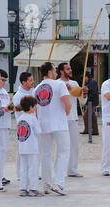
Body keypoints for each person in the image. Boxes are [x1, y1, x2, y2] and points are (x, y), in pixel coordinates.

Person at [35, 62, 72, 196]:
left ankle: (47, 183)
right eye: (55, 70)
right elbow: (67, 103)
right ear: (50, 72)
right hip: (59, 123)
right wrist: (65, 114)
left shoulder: (37, 88)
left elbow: (36, 110)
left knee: (45, 154)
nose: (56, 72)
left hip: (43, 124)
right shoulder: (59, 84)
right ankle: (58, 183)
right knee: (63, 152)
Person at [57, 63, 83, 178]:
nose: (70, 70)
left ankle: (72, 169)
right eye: (67, 69)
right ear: (61, 71)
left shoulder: (74, 83)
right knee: (62, 145)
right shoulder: (57, 83)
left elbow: (81, 100)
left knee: (74, 145)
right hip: (61, 118)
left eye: (70, 68)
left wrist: (83, 93)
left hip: (73, 117)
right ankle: (60, 170)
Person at [15, 96, 43, 197]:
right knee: (33, 168)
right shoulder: (33, 118)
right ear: (31, 107)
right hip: (32, 148)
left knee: (23, 168)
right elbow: (38, 132)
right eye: (35, 106)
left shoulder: (20, 118)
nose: (36, 108)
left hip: (22, 147)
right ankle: (33, 188)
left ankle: (23, 188)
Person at [13, 72, 36, 180]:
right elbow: (19, 112)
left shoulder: (34, 91)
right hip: (23, 126)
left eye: (32, 80)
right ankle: (20, 174)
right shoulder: (18, 96)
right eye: (30, 80)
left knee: (34, 150)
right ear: (24, 82)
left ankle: (33, 172)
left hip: (34, 123)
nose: (33, 82)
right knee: (21, 151)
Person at [0, 69, 12, 187]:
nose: (4, 82)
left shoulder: (5, 92)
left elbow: (8, 106)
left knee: (3, 151)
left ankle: (0, 175)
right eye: (2, 80)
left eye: (6, 80)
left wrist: (11, 108)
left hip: (6, 124)